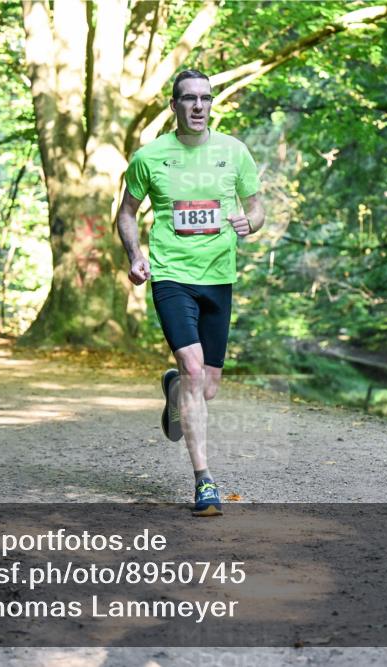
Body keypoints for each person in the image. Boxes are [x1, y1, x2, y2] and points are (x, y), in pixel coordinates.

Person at [116, 69, 265, 517]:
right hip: (171, 275)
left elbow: (256, 206)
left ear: (211, 104)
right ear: (174, 106)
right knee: (196, 371)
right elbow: (126, 213)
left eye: (205, 98)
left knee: (208, 387)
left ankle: (174, 388)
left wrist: (250, 223)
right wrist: (135, 255)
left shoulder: (233, 152)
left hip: (220, 276)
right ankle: (204, 481)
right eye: (188, 99)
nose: (198, 106)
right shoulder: (150, 157)